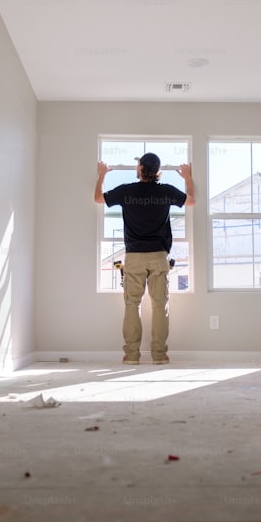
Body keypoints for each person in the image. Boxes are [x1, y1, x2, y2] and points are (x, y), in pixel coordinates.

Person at [94, 153, 196, 365]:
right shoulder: (166, 191)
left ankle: (132, 355)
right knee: (160, 305)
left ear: (140, 169)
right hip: (159, 256)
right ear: (157, 170)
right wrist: (187, 178)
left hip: (134, 257)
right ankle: (159, 355)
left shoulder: (127, 191)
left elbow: (98, 198)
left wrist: (101, 175)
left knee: (132, 304)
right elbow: (192, 201)